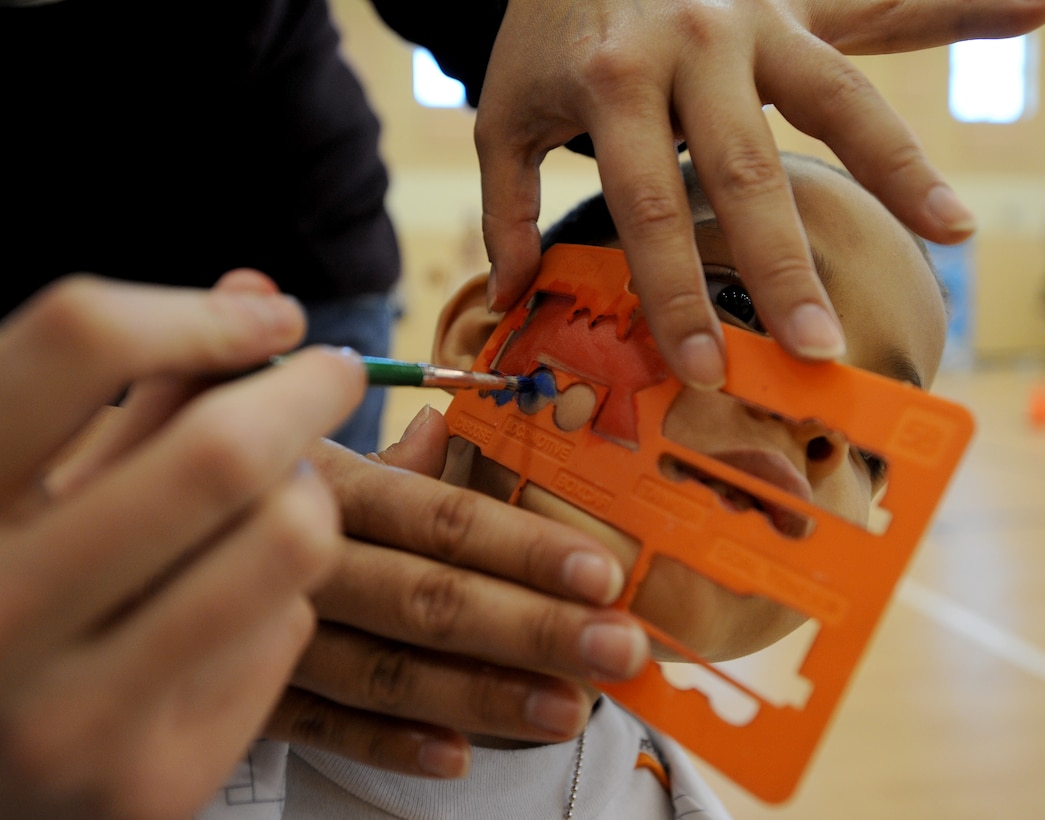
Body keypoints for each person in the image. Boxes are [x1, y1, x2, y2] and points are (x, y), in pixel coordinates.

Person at [261, 151, 949, 817]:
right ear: (489, 340)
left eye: (872, 444)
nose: (818, 427)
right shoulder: (175, 639)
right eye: (734, 300)